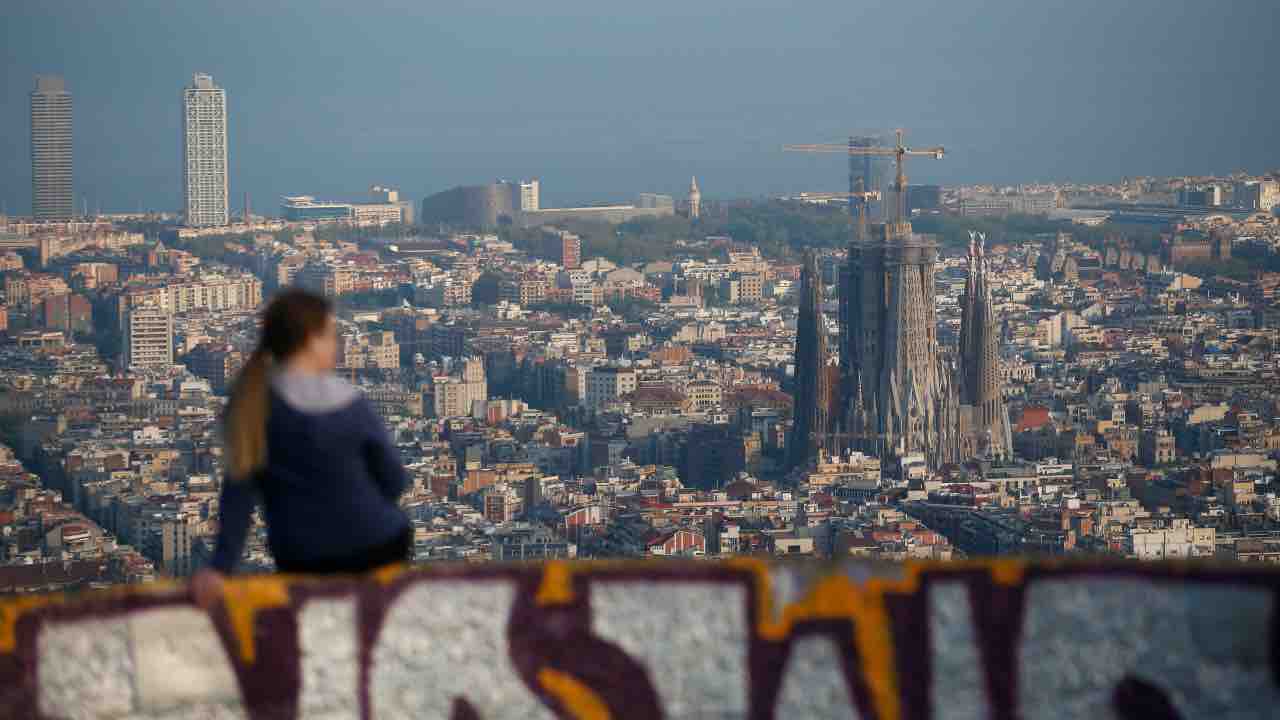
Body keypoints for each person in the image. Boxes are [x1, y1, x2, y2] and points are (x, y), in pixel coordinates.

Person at [191, 290, 410, 609]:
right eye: (332, 335)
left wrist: (220, 568)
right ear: (311, 339)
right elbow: (394, 482)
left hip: (302, 556)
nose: (337, 345)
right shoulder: (348, 400)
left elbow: (238, 499)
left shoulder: (250, 405)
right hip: (377, 545)